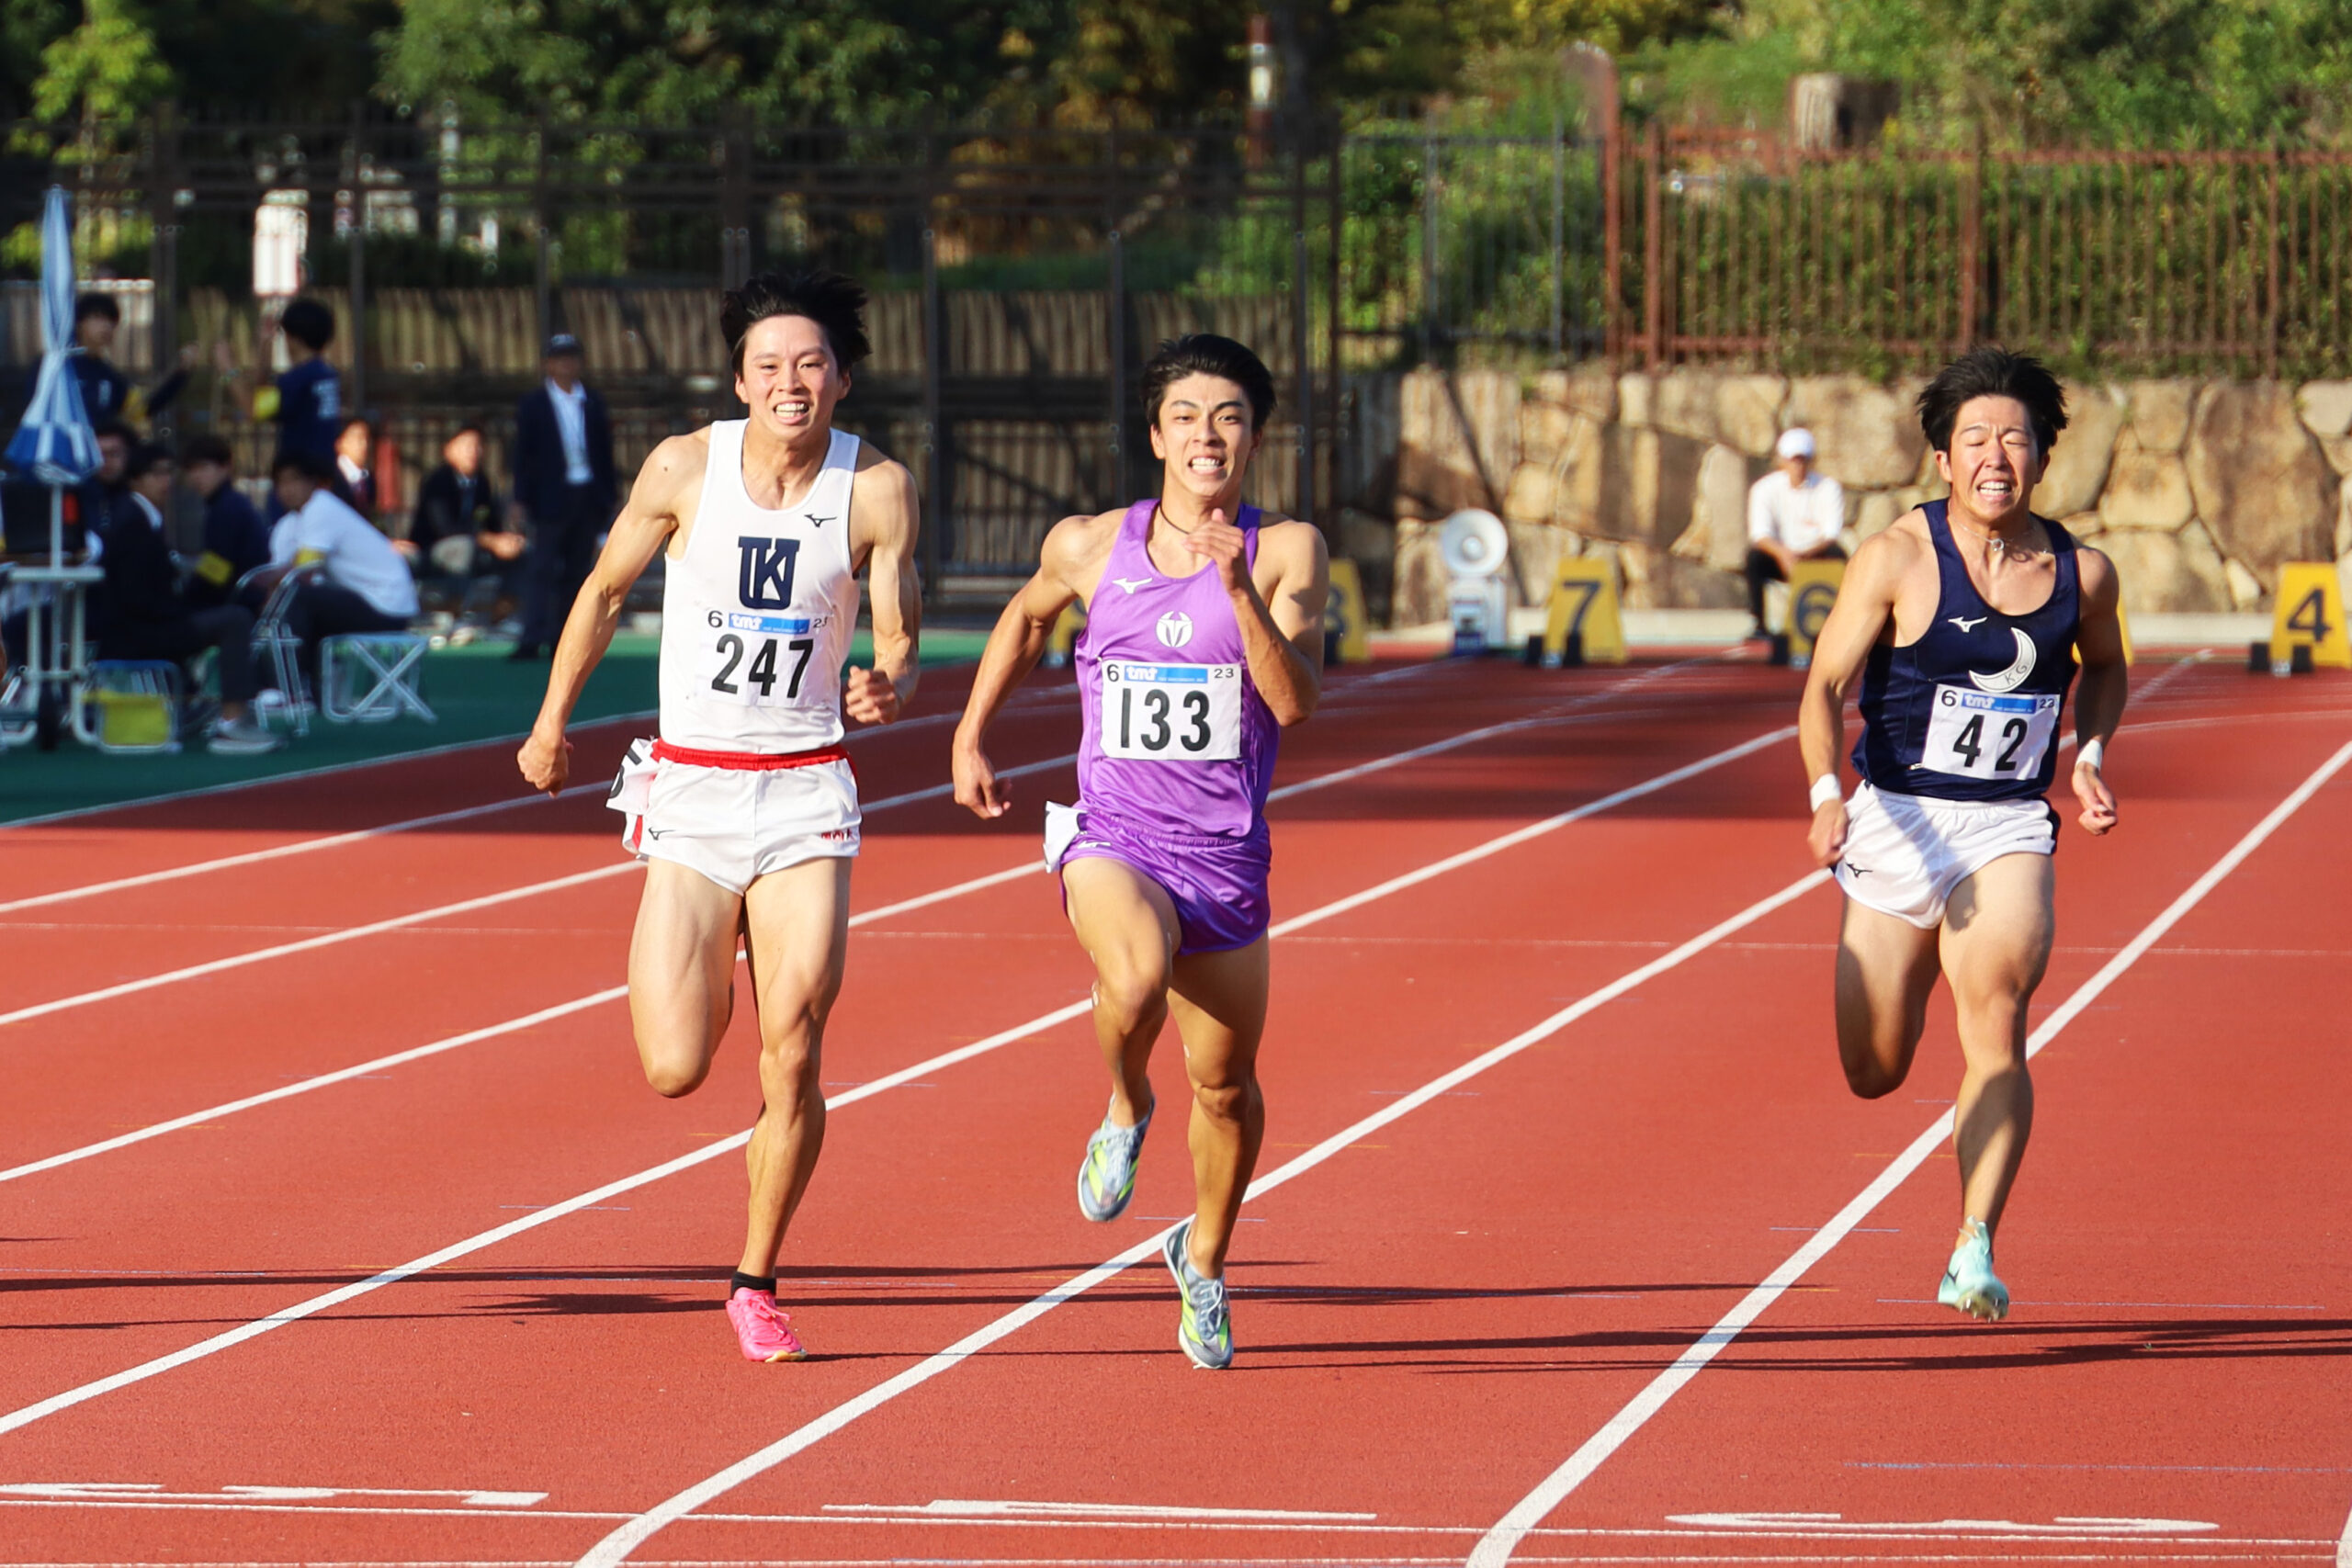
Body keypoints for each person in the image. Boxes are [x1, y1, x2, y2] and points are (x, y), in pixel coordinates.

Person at [515, 271, 921, 1364]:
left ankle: (755, 1279)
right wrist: (553, 719)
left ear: (840, 378)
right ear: (740, 379)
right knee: (675, 1067)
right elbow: (602, 591)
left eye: (810, 364)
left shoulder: (876, 486)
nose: (791, 383)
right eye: (769, 365)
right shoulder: (684, 468)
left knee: (793, 1050)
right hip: (691, 794)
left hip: (805, 794)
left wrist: (886, 678)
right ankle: (704, 947)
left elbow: (896, 631)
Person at [952, 333, 1329, 1371]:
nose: (1207, 436)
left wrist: (1243, 591)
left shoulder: (1287, 548)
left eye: (1230, 418)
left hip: (1225, 857)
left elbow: (1293, 705)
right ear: (1156, 432)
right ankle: (1125, 1104)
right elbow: (1026, 621)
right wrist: (970, 731)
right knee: (1137, 971)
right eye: (1187, 417)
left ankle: (1201, 1259)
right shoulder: (1088, 544)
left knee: (1227, 1086)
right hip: (1112, 832)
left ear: (1252, 435)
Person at [1798, 346, 2128, 1324]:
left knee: (1998, 1023)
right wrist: (1824, 794)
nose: (1995, 456)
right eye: (1974, 438)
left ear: (2041, 456)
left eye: (2014, 439)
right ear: (1942, 457)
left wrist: (2091, 752)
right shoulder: (1896, 558)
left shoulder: (2082, 572)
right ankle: (1896, 1022)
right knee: (1875, 1069)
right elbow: (1821, 687)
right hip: (1894, 822)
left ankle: (1973, 1243)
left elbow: (2105, 667)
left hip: (2006, 828)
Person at [97, 444, 279, 754]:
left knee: (231, 617)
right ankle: (231, 721)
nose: (167, 480)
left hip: (168, 615)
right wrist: (186, 603)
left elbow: (217, 568)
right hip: (139, 631)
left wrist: (189, 599)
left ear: (225, 468)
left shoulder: (216, 509)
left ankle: (211, 708)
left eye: (170, 472)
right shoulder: (134, 522)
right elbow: (137, 593)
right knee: (234, 620)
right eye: (157, 473)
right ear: (136, 480)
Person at [265, 451, 420, 686]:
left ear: (313, 482)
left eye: (294, 480)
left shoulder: (321, 507)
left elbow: (303, 572)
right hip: (369, 601)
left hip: (387, 606)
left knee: (299, 598)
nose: (287, 489)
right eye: (281, 483)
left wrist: (264, 586)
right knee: (297, 603)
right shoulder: (291, 523)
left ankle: (289, 688)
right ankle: (308, 688)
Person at [510, 332, 616, 660]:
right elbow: (522, 455)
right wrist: (520, 498)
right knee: (541, 568)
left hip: (586, 494)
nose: (566, 364)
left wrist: (608, 497)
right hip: (549, 497)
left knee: (577, 571)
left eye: (572, 357)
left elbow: (604, 452)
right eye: (559, 358)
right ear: (547, 364)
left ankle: (564, 640)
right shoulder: (533, 405)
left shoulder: (593, 402)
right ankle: (532, 636)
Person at [1747, 426, 1847, 639]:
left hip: (1816, 555)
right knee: (1754, 559)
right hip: (1780, 557)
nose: (1797, 466)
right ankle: (1759, 625)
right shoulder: (1764, 489)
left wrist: (1804, 557)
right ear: (1781, 460)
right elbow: (1760, 534)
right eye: (1793, 459)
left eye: (1802, 459)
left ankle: (1837, 622)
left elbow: (1831, 533)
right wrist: (1783, 554)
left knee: (1839, 557)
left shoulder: (1828, 487)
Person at [405, 423, 523, 586]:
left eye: (477, 446)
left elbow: (492, 522)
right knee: (464, 547)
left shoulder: (482, 483)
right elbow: (445, 528)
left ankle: (508, 603)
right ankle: (456, 604)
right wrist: (486, 540)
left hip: (476, 543)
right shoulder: (437, 481)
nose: (473, 452)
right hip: (435, 547)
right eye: (467, 446)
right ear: (449, 450)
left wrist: (504, 540)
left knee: (520, 548)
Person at [179, 435, 274, 611]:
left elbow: (217, 569)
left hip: (241, 601)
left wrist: (185, 597)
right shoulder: (230, 503)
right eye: (191, 470)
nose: (197, 476)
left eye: (204, 468)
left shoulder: (227, 509)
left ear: (225, 468)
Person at [70, 292, 187, 430]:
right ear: (79, 323)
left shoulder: (110, 376)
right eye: (97, 317)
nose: (106, 326)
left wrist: (180, 374)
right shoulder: (56, 367)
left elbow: (142, 409)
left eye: (111, 321)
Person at [254, 299, 343, 470]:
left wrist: (229, 371)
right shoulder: (328, 374)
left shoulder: (297, 379)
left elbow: (259, 409)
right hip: (326, 467)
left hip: (298, 476)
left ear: (295, 339)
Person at [334, 415, 379, 517]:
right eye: (358, 438)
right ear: (340, 443)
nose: (364, 444)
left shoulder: (369, 479)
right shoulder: (330, 478)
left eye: (367, 438)